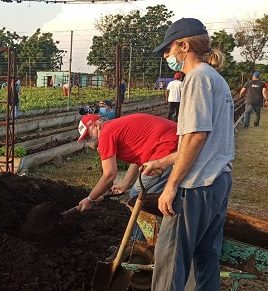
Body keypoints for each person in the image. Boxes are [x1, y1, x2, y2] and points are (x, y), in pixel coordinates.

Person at [146, 18, 234, 291]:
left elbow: (196, 137)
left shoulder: (196, 78)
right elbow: (205, 140)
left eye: (168, 48)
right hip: (218, 180)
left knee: (170, 260)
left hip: (196, 185)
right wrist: (164, 161)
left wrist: (171, 186)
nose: (166, 55)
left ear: (184, 45)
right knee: (205, 260)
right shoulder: (216, 79)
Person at [76, 113, 178, 241]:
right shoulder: (114, 128)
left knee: (138, 197)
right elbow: (137, 159)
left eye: (90, 135)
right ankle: (144, 241)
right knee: (139, 195)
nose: (91, 141)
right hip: (170, 141)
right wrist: (125, 184)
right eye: (87, 139)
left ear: (97, 125)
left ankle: (138, 244)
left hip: (168, 147)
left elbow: (109, 175)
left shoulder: (106, 133)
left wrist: (90, 199)